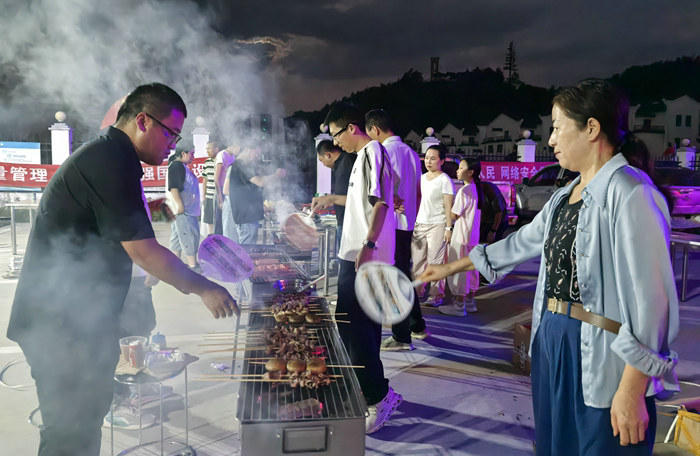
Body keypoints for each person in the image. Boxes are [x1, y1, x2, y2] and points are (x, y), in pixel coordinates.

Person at [419, 79, 679, 455]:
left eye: (557, 127)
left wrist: (632, 389)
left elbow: (653, 302)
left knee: (599, 443)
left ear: (592, 128)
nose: (552, 140)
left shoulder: (631, 193)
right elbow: (520, 243)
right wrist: (446, 269)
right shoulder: (563, 196)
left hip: (602, 348)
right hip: (552, 337)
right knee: (556, 444)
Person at [6, 83, 238, 456]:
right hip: (58, 326)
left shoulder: (115, 157)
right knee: (70, 435)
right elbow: (144, 251)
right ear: (143, 121)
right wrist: (204, 287)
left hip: (80, 321)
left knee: (84, 425)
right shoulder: (109, 160)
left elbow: (124, 237)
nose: (173, 144)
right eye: (171, 133)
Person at [325, 102, 402, 434]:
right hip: (356, 255)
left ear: (351, 128)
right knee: (361, 328)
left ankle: (377, 398)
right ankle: (373, 389)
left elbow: (381, 203)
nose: (335, 142)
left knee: (355, 328)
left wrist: (369, 245)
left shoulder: (372, 153)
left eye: (336, 135)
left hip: (365, 256)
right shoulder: (363, 158)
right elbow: (370, 202)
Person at [365, 108, 429, 351]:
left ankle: (401, 336)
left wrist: (391, 202)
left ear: (375, 129)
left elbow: (382, 191)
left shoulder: (383, 151)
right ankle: (417, 325)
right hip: (407, 223)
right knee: (403, 274)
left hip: (391, 224)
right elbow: (418, 192)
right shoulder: (411, 152)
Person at [412, 143, 454, 307]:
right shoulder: (421, 178)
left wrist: (448, 228)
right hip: (419, 224)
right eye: (427, 158)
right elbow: (417, 200)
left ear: (441, 161)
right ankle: (417, 291)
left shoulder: (445, 180)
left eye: (433, 158)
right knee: (417, 261)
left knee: (435, 261)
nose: (428, 161)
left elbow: (448, 206)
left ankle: (436, 295)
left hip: (438, 224)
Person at [439, 158, 481, 316]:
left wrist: (446, 206)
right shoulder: (476, 188)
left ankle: (459, 304)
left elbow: (454, 215)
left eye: (461, 167)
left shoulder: (464, 191)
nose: (457, 170)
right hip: (472, 236)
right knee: (471, 269)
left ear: (470, 172)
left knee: (460, 271)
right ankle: (470, 301)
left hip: (461, 235)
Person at [225, 144, 285, 245]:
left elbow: (248, 190)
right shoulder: (240, 164)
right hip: (246, 218)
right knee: (247, 250)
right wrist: (276, 175)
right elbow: (260, 182)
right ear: (247, 149)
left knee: (250, 249)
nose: (257, 158)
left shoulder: (242, 165)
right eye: (256, 154)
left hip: (248, 216)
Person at [310, 139, 357, 251]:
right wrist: (330, 202)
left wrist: (329, 198)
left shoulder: (348, 160)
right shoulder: (338, 166)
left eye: (321, 160)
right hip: (343, 222)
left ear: (328, 155)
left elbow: (358, 197)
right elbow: (346, 195)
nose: (323, 164)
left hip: (351, 224)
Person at [167, 148, 201, 272]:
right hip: (183, 211)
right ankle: (193, 265)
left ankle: (175, 265)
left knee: (177, 237)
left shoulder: (181, 166)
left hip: (183, 209)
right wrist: (180, 205)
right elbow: (174, 188)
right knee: (189, 236)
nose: (193, 156)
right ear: (183, 153)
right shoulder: (176, 166)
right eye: (192, 153)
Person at [214, 142, 238, 238]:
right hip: (220, 190)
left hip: (228, 190)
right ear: (234, 145)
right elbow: (216, 179)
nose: (239, 150)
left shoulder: (233, 157)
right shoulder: (221, 155)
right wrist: (220, 199)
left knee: (227, 221)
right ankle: (218, 244)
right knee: (220, 222)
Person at [478, 178, 507, 244]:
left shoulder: (490, 190)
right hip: (484, 220)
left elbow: (499, 212)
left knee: (491, 242)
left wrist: (493, 231)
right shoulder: (470, 189)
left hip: (497, 221)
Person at [201, 142, 220, 236]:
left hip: (219, 197)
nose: (207, 151)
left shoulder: (221, 161)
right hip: (209, 196)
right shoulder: (207, 162)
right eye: (206, 149)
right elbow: (205, 179)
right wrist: (204, 195)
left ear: (216, 149)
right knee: (209, 220)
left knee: (219, 220)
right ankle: (212, 237)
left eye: (209, 148)